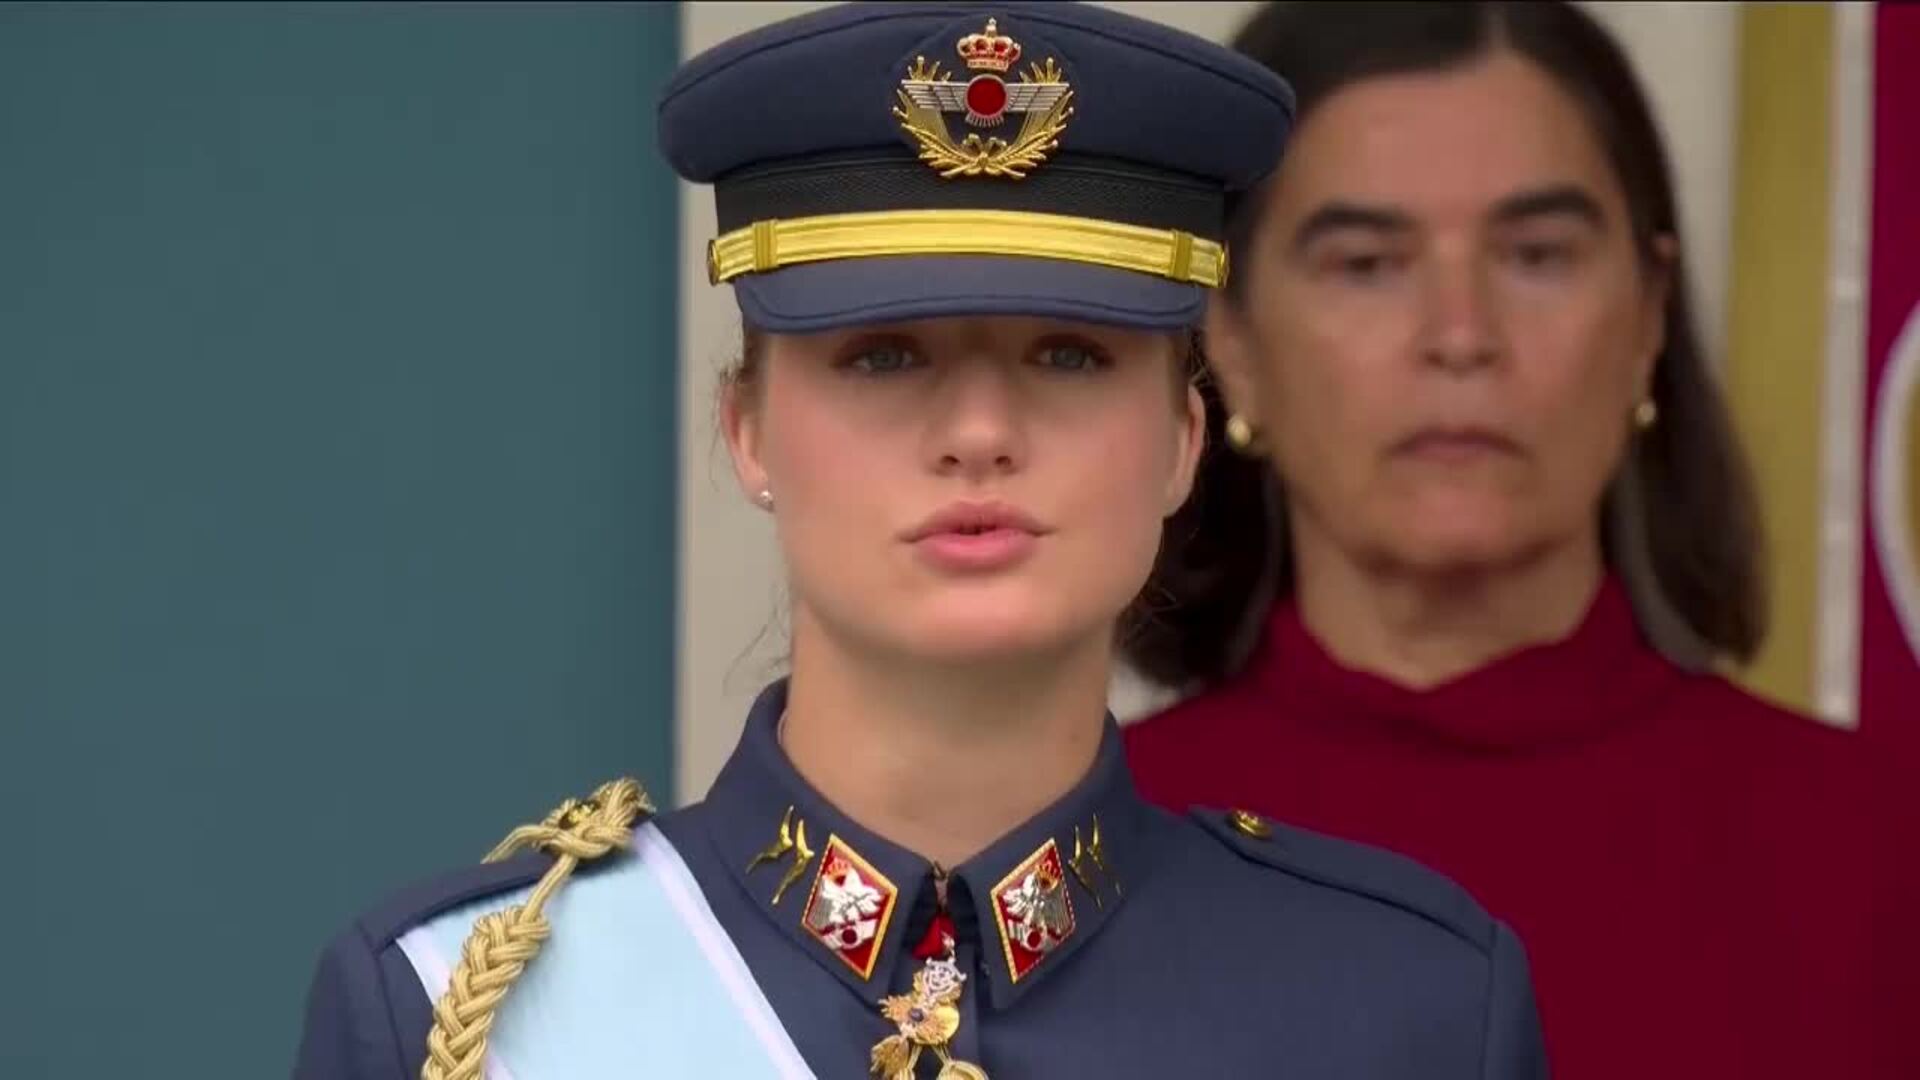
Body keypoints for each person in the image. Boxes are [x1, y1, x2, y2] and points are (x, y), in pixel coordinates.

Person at [290, 4, 1553, 1079]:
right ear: (749, 430)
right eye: (883, 354)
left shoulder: (1406, 1008)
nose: (980, 431)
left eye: (1069, 353)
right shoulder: (466, 1013)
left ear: (1182, 434)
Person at [1120, 3, 1884, 1079]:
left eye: (1536, 254)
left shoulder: (1879, 854)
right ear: (1231, 343)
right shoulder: (1073, 861)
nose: (1462, 336)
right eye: (1367, 264)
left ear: (1648, 316)